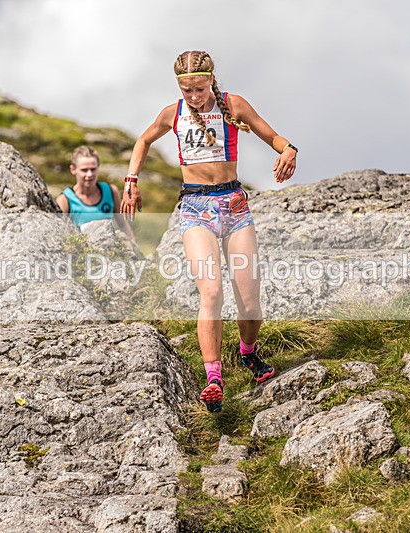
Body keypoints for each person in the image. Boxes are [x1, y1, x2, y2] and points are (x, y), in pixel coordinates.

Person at [120, 50, 297, 412]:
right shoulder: (173, 114)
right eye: (186, 91)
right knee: (211, 292)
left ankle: (247, 353)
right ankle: (213, 377)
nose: (193, 98)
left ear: (211, 81)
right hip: (195, 208)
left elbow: (275, 138)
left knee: (249, 301)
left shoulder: (234, 105)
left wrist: (289, 151)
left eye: (199, 90)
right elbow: (143, 141)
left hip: (234, 206)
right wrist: (131, 179)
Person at [56, 146, 134, 239]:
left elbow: (123, 225)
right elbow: (58, 234)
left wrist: (134, 248)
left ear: (98, 168)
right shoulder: (65, 200)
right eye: (84, 170)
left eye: (93, 169)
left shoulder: (111, 191)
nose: (89, 174)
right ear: (73, 169)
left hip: (110, 250)